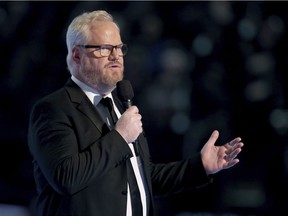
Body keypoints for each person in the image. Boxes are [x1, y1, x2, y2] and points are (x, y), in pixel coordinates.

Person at [28, 10, 244, 216]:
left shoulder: (120, 106)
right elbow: (66, 177)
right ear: (76, 55)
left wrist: (200, 167)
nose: (116, 56)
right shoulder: (54, 109)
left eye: (119, 47)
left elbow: (141, 177)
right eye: (104, 48)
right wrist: (120, 136)